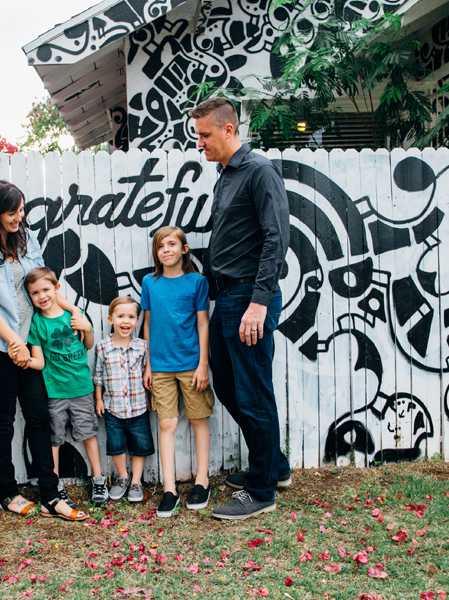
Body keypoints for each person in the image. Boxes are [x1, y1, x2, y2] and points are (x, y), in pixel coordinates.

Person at [189, 97, 292, 520]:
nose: (200, 143)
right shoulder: (225, 175)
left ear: (229, 130)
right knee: (230, 387)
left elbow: (276, 237)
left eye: (205, 135)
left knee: (253, 393)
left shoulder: (259, 171)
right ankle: (275, 465)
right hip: (228, 298)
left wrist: (259, 304)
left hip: (250, 299)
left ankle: (261, 488)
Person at [0, 180, 87, 522]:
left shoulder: (26, 238)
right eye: (12, 211)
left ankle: (50, 493)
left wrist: (72, 309)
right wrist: (11, 342)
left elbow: (41, 283)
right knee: (3, 419)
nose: (19, 216)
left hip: (30, 345)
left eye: (21, 210)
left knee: (38, 416)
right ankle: (8, 493)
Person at [140, 226, 213, 517]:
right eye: (160, 246)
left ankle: (202, 481)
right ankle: (169, 488)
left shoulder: (197, 282)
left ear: (184, 249)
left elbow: (203, 324)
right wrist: (148, 364)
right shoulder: (150, 282)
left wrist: (203, 365)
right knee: (166, 424)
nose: (166, 250)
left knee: (198, 419)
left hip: (191, 365)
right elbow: (146, 324)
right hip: (160, 367)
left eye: (171, 244)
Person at [23, 267, 108, 505]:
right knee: (54, 440)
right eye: (35, 293)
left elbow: (89, 344)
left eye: (46, 290)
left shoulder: (74, 315)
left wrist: (87, 327)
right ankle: (56, 484)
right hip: (55, 392)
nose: (42, 296)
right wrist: (24, 359)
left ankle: (98, 480)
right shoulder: (37, 324)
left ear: (57, 289)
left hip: (81, 389)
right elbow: (39, 362)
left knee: (89, 434)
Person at [94, 296, 154, 503]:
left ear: (137, 321)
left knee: (139, 445)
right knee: (116, 446)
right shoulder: (102, 347)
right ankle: (123, 477)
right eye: (120, 316)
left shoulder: (142, 346)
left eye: (131, 316)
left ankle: (137, 480)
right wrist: (99, 399)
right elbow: (98, 375)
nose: (125, 321)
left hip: (138, 407)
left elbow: (149, 372)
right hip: (112, 407)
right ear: (111, 319)